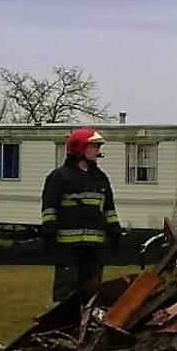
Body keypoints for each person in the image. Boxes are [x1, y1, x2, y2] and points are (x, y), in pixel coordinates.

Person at [41, 127, 120, 303]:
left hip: (94, 246)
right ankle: (61, 318)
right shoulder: (59, 177)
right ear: (79, 148)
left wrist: (115, 230)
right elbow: (49, 207)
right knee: (66, 289)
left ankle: (88, 318)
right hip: (68, 246)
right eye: (93, 146)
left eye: (97, 147)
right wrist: (48, 230)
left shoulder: (100, 178)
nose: (97, 150)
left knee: (92, 289)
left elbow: (109, 208)